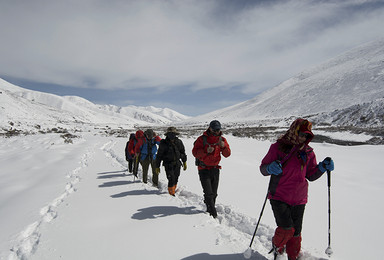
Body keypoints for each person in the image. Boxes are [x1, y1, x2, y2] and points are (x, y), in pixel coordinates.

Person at [259, 118, 334, 260]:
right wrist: (269, 168)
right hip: (279, 196)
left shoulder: (308, 152)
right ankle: (278, 248)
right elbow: (263, 169)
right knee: (286, 229)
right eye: (301, 134)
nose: (303, 138)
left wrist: (322, 167)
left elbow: (310, 175)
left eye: (307, 135)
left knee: (296, 233)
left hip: (299, 198)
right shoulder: (278, 148)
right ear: (294, 131)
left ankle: (293, 256)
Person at [192, 120, 231, 218]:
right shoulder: (201, 139)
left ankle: (209, 206)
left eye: (218, 130)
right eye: (215, 130)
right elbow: (195, 152)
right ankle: (212, 213)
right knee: (208, 193)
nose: (216, 132)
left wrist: (224, 146)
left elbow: (227, 154)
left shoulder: (222, 140)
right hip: (203, 168)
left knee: (214, 193)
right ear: (210, 128)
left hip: (215, 169)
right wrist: (205, 151)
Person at [155, 127, 187, 196]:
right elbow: (159, 155)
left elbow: (183, 152)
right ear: (167, 135)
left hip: (177, 163)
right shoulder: (163, 143)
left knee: (176, 178)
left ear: (175, 134)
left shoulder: (179, 142)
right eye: (170, 134)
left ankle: (173, 190)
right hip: (168, 164)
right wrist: (157, 166)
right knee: (171, 178)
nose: (172, 136)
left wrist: (184, 162)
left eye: (173, 134)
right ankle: (171, 194)